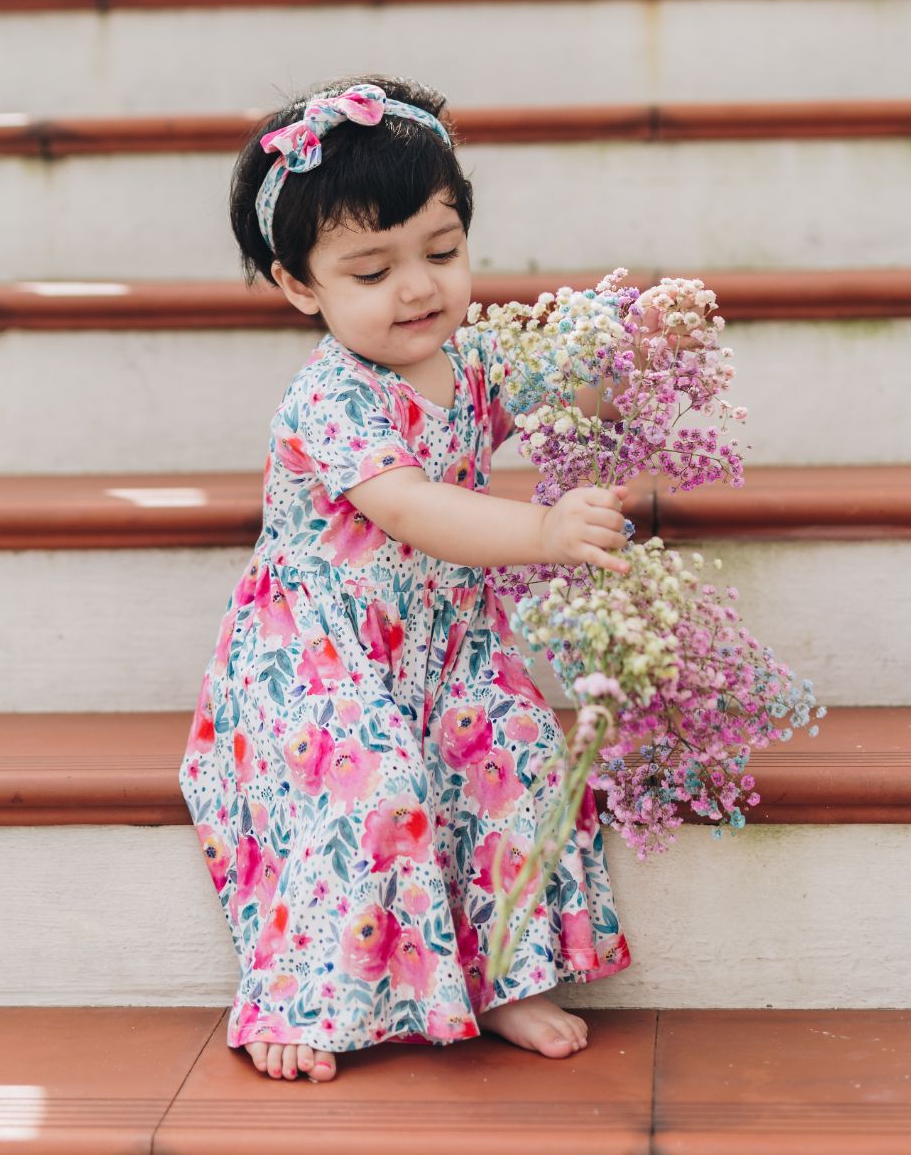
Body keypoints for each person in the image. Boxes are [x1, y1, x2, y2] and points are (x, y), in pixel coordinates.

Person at [178, 75, 633, 1086]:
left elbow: (569, 383)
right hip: (321, 660)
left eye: (441, 252)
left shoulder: (470, 363)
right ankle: (297, 990)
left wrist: (627, 348)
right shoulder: (330, 397)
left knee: (516, 751)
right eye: (373, 270)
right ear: (301, 288)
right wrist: (545, 529)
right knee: (371, 775)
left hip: (448, 648)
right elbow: (413, 508)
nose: (419, 288)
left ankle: (510, 971)